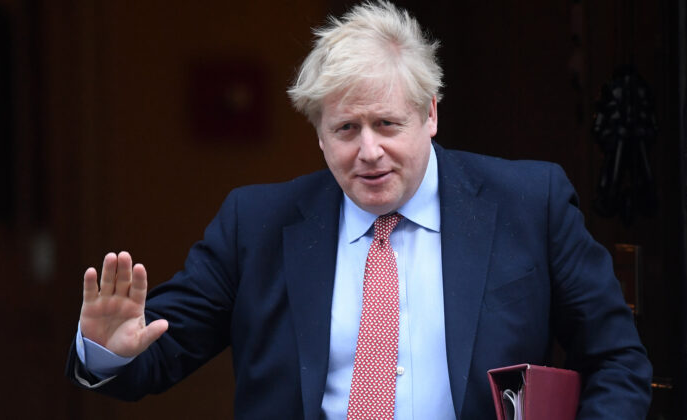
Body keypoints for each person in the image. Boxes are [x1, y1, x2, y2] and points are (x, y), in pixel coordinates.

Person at [66, 1, 653, 419]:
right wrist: (108, 350)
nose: (369, 151)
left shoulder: (530, 203)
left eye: (388, 124)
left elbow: (617, 360)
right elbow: (158, 355)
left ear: (430, 115)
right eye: (346, 128)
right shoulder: (256, 225)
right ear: (319, 136)